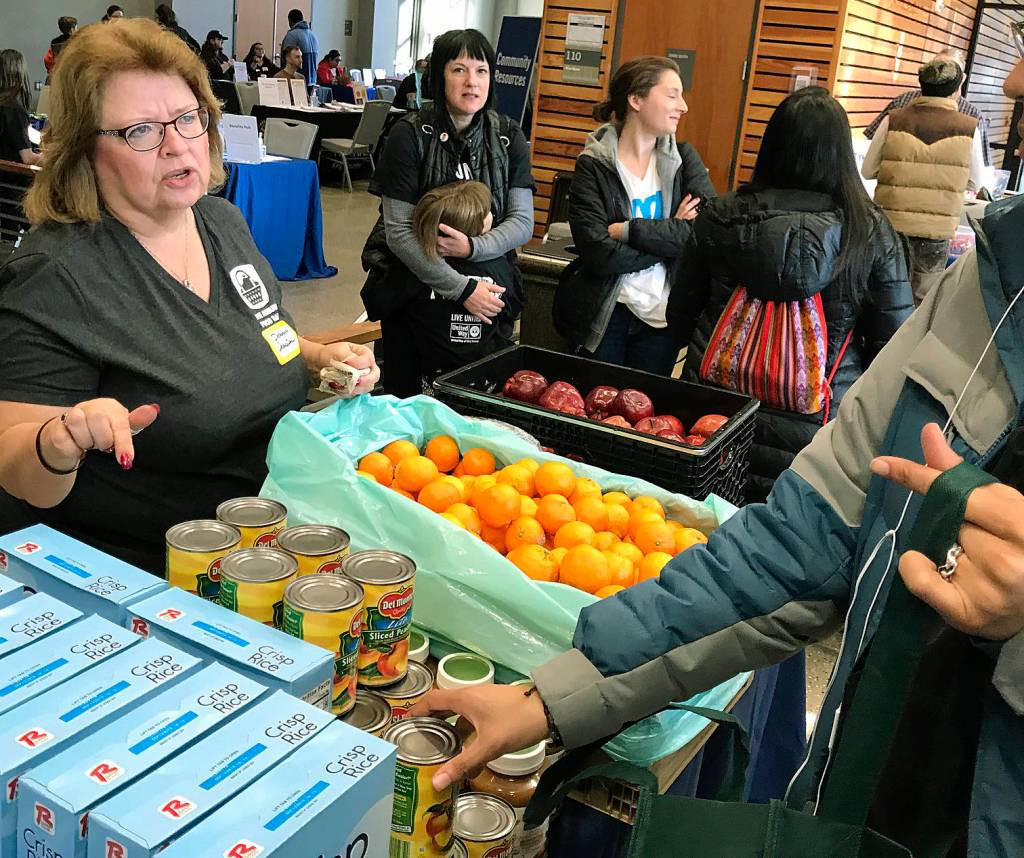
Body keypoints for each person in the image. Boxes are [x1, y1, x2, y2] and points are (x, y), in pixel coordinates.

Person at [409, 188, 1024, 854]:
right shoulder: (993, 282)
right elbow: (800, 543)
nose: (1015, 77)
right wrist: (550, 698)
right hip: (874, 796)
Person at [0, 19, 378, 574]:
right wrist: (59, 442)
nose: (177, 145)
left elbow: (261, 331)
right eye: (141, 131)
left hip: (267, 548)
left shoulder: (219, 221)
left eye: (187, 119)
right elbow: (15, 465)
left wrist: (316, 358)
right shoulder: (55, 274)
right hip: (149, 580)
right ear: (84, 148)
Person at [673, 87, 912, 502]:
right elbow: (891, 346)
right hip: (817, 428)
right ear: (841, 155)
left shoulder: (720, 217)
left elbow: (680, 313)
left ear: (772, 146)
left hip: (714, 415)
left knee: (699, 520)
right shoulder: (868, 231)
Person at [360, 29, 535, 397]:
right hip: (414, 295)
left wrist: (472, 249)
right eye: (459, 70)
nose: (472, 81)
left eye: (482, 70)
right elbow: (400, 233)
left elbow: (521, 222)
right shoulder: (409, 134)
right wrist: (461, 288)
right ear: (439, 76)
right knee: (408, 406)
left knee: (480, 403)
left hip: (488, 298)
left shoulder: (508, 137)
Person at [554, 56, 715, 376]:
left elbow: (703, 232)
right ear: (636, 99)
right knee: (599, 411)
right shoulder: (593, 165)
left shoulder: (685, 160)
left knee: (646, 417)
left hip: (662, 319)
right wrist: (672, 232)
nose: (682, 106)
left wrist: (628, 230)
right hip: (607, 313)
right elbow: (598, 253)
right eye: (671, 95)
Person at [862, 58, 987, 306]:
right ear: (956, 89)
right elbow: (977, 181)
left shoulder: (894, 119)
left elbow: (868, 170)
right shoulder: (968, 127)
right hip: (936, 233)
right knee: (922, 301)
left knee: (882, 296)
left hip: (890, 227)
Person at [399, 180, 521, 383]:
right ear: (481, 224)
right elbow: (513, 307)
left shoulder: (417, 266)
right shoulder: (499, 265)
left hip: (430, 375)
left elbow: (381, 301)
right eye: (487, 211)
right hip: (487, 374)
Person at [864, 50, 990, 167]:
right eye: (936, 68)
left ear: (962, 78)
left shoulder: (973, 117)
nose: (941, 76)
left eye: (949, 70)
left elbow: (983, 168)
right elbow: (869, 143)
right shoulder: (902, 102)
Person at [0, 50, 40, 166]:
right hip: (11, 179)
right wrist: (57, 159)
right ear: (19, 75)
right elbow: (28, 158)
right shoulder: (14, 110)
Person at [280, 8, 320, 88]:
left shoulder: (292, 35)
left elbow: (286, 58)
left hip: (296, 81)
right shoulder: (313, 35)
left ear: (290, 20)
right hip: (312, 80)